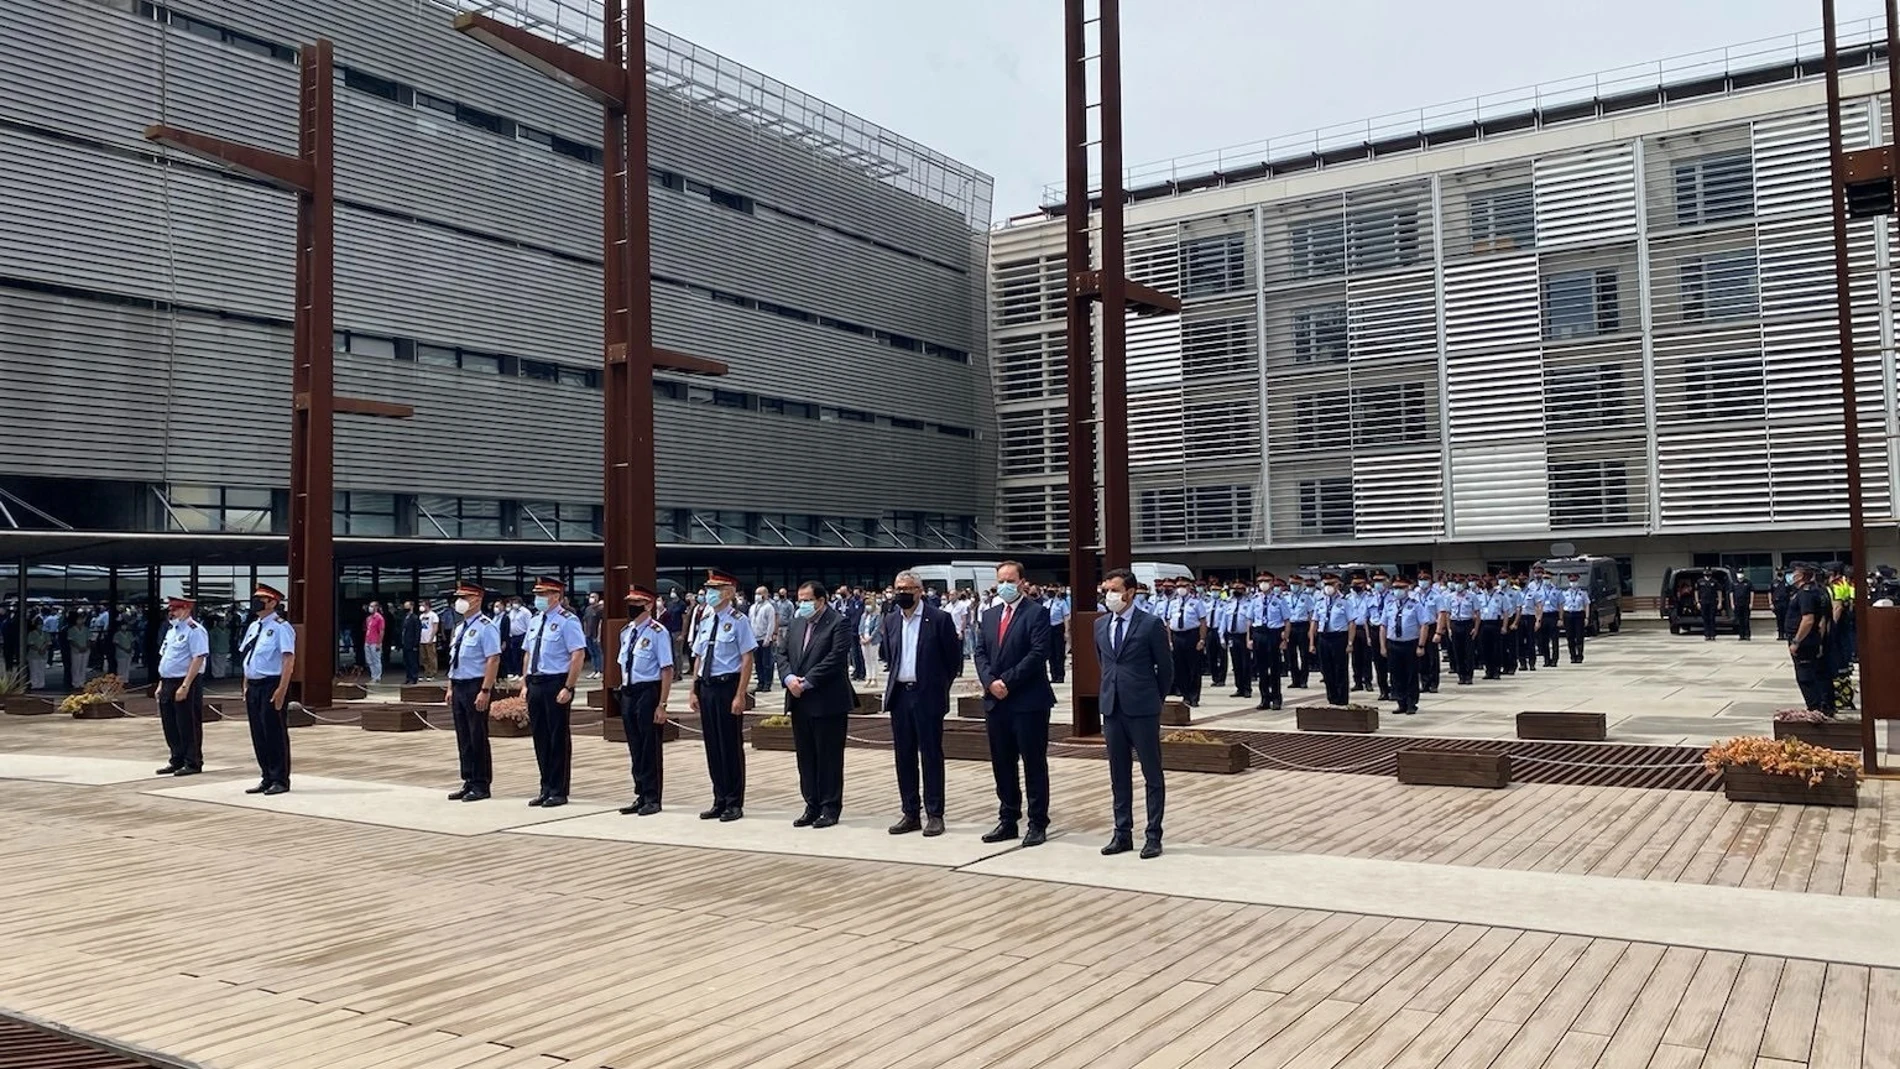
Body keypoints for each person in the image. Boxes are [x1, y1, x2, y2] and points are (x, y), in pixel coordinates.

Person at [971, 560, 1055, 847]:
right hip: (996, 702)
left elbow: (1037, 653)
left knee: (1033, 763)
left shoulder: (1037, 614)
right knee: (1002, 763)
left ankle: (1037, 822)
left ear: (1022, 582)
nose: (1005, 585)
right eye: (1000, 580)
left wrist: (1007, 681)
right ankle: (1008, 818)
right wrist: (989, 681)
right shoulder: (990, 614)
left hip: (1028, 700)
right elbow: (979, 651)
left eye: (1010, 580)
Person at [1096, 567, 1172, 860]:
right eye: (1106, 590)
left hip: (1142, 708)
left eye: (1114, 590)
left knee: (1151, 772)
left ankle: (1153, 834)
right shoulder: (1101, 625)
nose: (1109, 595)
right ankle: (1122, 832)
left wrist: (1155, 698)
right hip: (1112, 707)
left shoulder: (1150, 624)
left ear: (1129, 592)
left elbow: (1165, 668)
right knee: (1118, 773)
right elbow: (1105, 662)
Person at [881, 570, 962, 837]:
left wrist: (938, 687)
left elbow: (953, 661)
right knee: (903, 756)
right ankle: (910, 812)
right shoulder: (891, 620)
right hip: (900, 695)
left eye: (907, 588)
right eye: (897, 588)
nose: (901, 593)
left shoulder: (939, 619)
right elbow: (888, 655)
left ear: (919, 590)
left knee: (930, 755)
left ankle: (935, 813)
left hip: (927, 695)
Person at [782, 580, 852, 827]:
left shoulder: (838, 622)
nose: (802, 604)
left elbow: (835, 658)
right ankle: (811, 804)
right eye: (799, 599)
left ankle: (830, 807)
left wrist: (808, 681)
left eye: (806, 599)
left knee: (829, 757)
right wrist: (789, 678)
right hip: (799, 701)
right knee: (806, 756)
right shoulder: (796, 622)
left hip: (826, 700)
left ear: (821, 601)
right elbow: (782, 654)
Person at [692, 570, 755, 822]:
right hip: (707, 686)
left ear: (728, 592)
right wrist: (693, 689)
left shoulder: (739, 621)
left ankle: (733, 801)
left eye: (715, 589)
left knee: (729, 745)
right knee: (713, 745)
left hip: (727, 686)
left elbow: (747, 657)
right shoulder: (706, 620)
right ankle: (718, 797)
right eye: (708, 588)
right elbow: (699, 656)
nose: (709, 593)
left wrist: (740, 694)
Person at [522, 576, 586, 808]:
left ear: (556, 596)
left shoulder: (568, 620)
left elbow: (577, 655)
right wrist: (525, 682)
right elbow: (528, 653)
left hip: (556, 682)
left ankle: (558, 790)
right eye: (537, 594)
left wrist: (569, 686)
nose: (538, 598)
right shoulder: (535, 620)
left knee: (557, 737)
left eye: (543, 594)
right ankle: (545, 786)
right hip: (536, 682)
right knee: (540, 736)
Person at [614, 585, 673, 816]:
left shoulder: (658, 632)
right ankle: (640, 792)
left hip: (649, 691)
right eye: (630, 602)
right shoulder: (626, 632)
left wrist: (662, 703)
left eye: (637, 603)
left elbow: (666, 669)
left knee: (650, 746)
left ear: (649, 605)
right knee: (635, 745)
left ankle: (652, 796)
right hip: (629, 691)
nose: (631, 607)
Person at [444, 580, 502, 803]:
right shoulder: (460, 628)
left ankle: (481, 783)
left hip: (476, 684)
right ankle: (468, 779)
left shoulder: (486, 626)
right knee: (463, 736)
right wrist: (450, 686)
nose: (460, 602)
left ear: (477, 599)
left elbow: (493, 659)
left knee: (477, 734)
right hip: (459, 684)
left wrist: (485, 690)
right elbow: (454, 660)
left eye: (464, 598)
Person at [238, 583, 296, 796]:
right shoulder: (254, 626)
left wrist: (282, 689)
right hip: (254, 685)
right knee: (258, 733)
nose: (256, 602)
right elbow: (249, 655)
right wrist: (245, 683)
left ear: (273, 602)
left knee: (274, 732)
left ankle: (280, 778)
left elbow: (288, 659)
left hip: (271, 684)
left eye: (261, 598)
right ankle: (266, 777)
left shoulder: (281, 627)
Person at [152, 595, 209, 776]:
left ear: (186, 609)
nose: (172, 612)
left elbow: (198, 657)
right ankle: (176, 758)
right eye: (170, 609)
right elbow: (167, 657)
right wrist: (161, 683)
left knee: (187, 723)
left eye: (175, 609)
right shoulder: (172, 630)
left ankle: (192, 761)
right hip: (168, 680)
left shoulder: (195, 630)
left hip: (185, 681)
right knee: (170, 723)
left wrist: (185, 685)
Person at [1380, 576, 1433, 716]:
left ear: (1408, 588)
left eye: (1401, 588)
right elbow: (1383, 626)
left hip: (1410, 644)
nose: (1398, 591)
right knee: (1396, 675)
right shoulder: (1390, 605)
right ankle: (1400, 702)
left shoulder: (1416, 605)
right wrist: (1383, 646)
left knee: (1411, 674)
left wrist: (1421, 645)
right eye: (1395, 588)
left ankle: (1411, 703)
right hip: (1393, 644)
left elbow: (1424, 625)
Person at [1786, 564, 1832, 714]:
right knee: (1811, 674)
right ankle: (1819, 707)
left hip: (1804, 642)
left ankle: (1816, 709)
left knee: (1805, 677)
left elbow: (1808, 620)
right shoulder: (1808, 591)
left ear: (1800, 576)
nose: (1792, 576)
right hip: (1810, 640)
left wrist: (1796, 641)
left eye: (1794, 573)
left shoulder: (1805, 594)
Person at [1162, 580, 1207, 708]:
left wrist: (1202, 639)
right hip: (1177, 636)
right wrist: (1169, 640)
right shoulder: (1173, 603)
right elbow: (1169, 624)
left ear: (1189, 588)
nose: (1180, 589)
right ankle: (1185, 695)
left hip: (1191, 635)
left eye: (1183, 586)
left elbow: (1203, 622)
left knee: (1194, 668)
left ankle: (1194, 696)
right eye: (1178, 586)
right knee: (1180, 668)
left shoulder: (1196, 603)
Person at [1310, 574, 1353, 707]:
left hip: (1339, 637)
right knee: (1326, 670)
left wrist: (1350, 643)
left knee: (1340, 669)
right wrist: (1312, 642)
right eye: (1326, 584)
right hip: (1324, 637)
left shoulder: (1344, 602)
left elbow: (1351, 623)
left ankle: (1342, 699)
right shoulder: (1320, 602)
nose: (1328, 587)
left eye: (1331, 583)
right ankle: (1332, 697)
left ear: (1338, 584)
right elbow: (1314, 622)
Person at [1251, 573, 1286, 711]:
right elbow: (1249, 620)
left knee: (1275, 668)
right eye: (1260, 581)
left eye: (1266, 581)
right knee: (1261, 669)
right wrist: (1250, 638)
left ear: (1272, 583)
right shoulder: (1254, 600)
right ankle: (1264, 698)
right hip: (1259, 634)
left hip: (1273, 634)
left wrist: (1285, 639)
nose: (1263, 583)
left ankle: (1276, 698)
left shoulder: (1279, 600)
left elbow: (1287, 620)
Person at [749, 585, 780, 693]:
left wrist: (769, 637)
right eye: (756, 593)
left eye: (760, 594)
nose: (757, 596)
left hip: (765, 638)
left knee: (767, 662)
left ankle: (767, 683)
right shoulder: (752, 607)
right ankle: (760, 682)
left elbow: (771, 623)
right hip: (754, 638)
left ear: (766, 595)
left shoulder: (769, 607)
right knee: (757, 662)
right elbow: (750, 622)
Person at [1561, 573, 1591, 664]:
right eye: (1571, 581)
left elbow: (1587, 605)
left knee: (1579, 636)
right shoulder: (1565, 593)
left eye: (1574, 581)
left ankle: (1580, 656)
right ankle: (1572, 656)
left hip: (1579, 615)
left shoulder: (1583, 593)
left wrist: (1586, 617)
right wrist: (1561, 618)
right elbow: (1561, 606)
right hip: (1568, 615)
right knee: (1570, 637)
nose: (1573, 582)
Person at [582, 590, 605, 679]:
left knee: (598, 653)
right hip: (588, 634)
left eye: (593, 597)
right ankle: (594, 670)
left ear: (597, 598)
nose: (591, 599)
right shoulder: (588, 609)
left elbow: (600, 623)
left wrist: (599, 635)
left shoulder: (600, 609)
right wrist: (584, 633)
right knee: (592, 654)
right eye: (590, 597)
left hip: (595, 634)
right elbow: (585, 621)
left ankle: (599, 670)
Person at [363, 602, 385, 684]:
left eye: (372, 606)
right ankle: (373, 676)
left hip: (375, 642)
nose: (370, 608)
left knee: (376, 659)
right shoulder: (368, 618)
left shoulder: (379, 618)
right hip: (367, 641)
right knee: (369, 660)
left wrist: (379, 643)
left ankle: (377, 676)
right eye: (369, 606)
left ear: (376, 607)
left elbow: (381, 631)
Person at [418, 599, 441, 680]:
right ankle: (426, 672)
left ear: (427, 606)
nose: (422, 607)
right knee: (424, 657)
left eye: (423, 605)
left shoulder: (433, 615)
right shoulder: (421, 616)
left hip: (430, 639)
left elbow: (435, 627)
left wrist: (431, 638)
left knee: (431, 656)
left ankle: (433, 673)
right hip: (422, 639)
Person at [401, 600, 421, 685]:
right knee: (407, 661)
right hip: (405, 642)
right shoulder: (405, 617)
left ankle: (414, 677)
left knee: (413, 661)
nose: (406, 608)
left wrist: (415, 644)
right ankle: (408, 677)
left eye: (407, 606)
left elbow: (417, 632)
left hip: (412, 643)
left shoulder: (415, 618)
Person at [24, 616, 47, 691]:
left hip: (43, 655)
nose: (40, 625)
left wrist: (43, 649)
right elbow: (31, 644)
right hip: (33, 655)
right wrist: (38, 650)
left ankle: (41, 684)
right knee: (34, 670)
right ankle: (34, 685)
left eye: (41, 623)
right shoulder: (31, 634)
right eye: (38, 624)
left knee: (41, 670)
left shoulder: (45, 633)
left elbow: (48, 643)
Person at [1696, 573, 1720, 642]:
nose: (1707, 574)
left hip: (1712, 603)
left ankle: (1712, 635)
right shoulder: (1700, 581)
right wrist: (1697, 602)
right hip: (1703, 603)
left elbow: (1719, 591)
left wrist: (1720, 602)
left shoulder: (1714, 581)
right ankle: (1707, 635)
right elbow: (1696, 591)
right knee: (1705, 619)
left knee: (1712, 618)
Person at [1732, 571, 1755, 642]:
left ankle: (1747, 635)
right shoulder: (1734, 583)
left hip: (1746, 604)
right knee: (1739, 620)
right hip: (1737, 604)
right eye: (1739, 573)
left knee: (1746, 620)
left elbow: (1752, 593)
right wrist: (1732, 604)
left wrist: (1751, 603)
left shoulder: (1748, 582)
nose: (1740, 574)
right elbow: (1731, 594)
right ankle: (1741, 635)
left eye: (1741, 573)